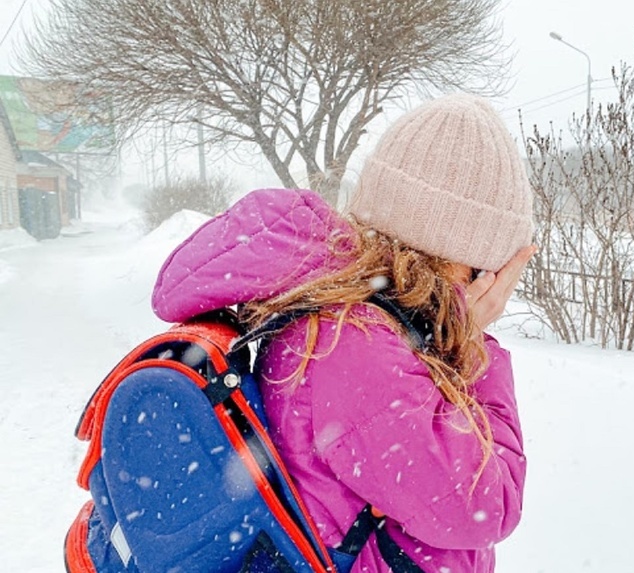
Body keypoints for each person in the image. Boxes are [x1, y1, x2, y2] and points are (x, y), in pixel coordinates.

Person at [151, 94, 534, 573]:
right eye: (495, 267)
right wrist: (475, 349)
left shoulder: (351, 313)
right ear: (466, 257)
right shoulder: (357, 341)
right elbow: (484, 505)